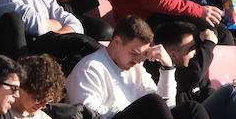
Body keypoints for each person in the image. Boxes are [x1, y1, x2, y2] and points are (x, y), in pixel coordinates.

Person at [68, 16, 208, 119]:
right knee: (153, 102)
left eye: (142, 54)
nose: (138, 60)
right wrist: (136, 108)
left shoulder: (136, 67)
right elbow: (88, 114)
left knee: (192, 109)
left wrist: (167, 67)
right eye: (134, 53)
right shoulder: (90, 68)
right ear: (116, 42)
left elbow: (167, 107)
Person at [147, 20, 236, 119]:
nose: (195, 52)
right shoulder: (162, 73)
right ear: (172, 55)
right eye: (191, 49)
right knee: (231, 91)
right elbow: (194, 75)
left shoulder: (192, 68)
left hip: (207, 113)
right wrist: (209, 44)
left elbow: (207, 93)